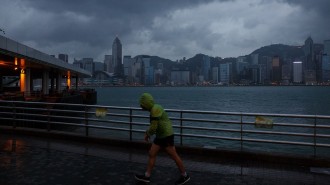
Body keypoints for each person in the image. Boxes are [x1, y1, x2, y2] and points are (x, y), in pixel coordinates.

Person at [135, 93, 190, 185]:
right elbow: (154, 127)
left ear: (146, 103)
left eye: (142, 104)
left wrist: (147, 134)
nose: (141, 106)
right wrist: (148, 133)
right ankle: (147, 176)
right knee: (152, 153)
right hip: (160, 136)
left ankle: (185, 175)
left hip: (166, 136)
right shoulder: (154, 108)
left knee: (174, 155)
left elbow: (153, 127)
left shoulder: (155, 109)